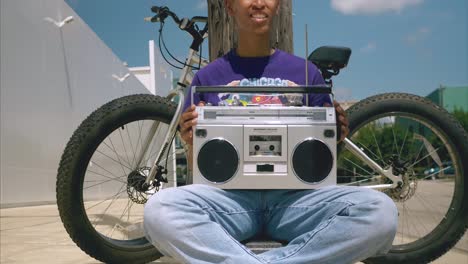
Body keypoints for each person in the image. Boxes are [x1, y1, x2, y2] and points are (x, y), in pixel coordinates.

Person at [144, 0, 398, 263]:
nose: (258, 2)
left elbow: (324, 156)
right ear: (230, 7)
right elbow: (200, 160)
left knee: (381, 213)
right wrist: (189, 138)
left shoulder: (307, 73)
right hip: (230, 199)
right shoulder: (206, 78)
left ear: (278, 6)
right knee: (159, 210)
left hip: (296, 200)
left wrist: (338, 135)